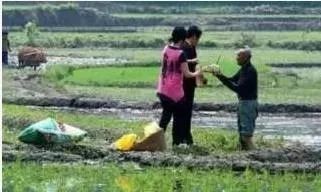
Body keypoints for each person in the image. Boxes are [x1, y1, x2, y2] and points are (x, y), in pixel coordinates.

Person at [157, 26, 201, 146]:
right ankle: (177, 142)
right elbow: (187, 74)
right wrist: (199, 72)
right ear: (182, 39)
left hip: (163, 87)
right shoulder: (180, 53)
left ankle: (156, 140)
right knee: (181, 115)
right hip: (174, 90)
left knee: (166, 116)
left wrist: (190, 61)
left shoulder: (166, 49)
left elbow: (173, 62)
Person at [212, 46, 258, 150]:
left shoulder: (250, 71)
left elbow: (237, 88)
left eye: (239, 55)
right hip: (244, 103)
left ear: (246, 57)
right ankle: (248, 155)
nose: (236, 58)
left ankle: (254, 155)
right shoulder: (244, 69)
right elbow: (232, 79)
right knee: (243, 135)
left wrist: (220, 77)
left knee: (246, 136)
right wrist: (219, 75)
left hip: (248, 104)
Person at [180, 25, 202, 145]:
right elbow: (181, 62)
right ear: (194, 36)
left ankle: (187, 138)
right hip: (184, 85)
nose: (198, 42)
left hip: (190, 84)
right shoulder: (184, 47)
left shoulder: (191, 47)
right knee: (184, 112)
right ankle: (185, 138)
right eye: (198, 39)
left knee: (187, 112)